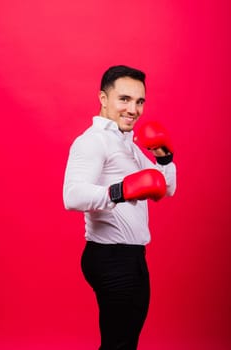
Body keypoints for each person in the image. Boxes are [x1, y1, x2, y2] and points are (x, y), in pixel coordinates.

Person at [63, 65, 177, 350]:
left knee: (126, 341)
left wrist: (164, 158)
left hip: (133, 257)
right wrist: (120, 191)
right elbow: (72, 196)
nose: (133, 109)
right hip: (110, 257)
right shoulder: (92, 141)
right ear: (103, 98)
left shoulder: (129, 143)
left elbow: (166, 188)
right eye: (124, 99)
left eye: (139, 102)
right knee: (119, 343)